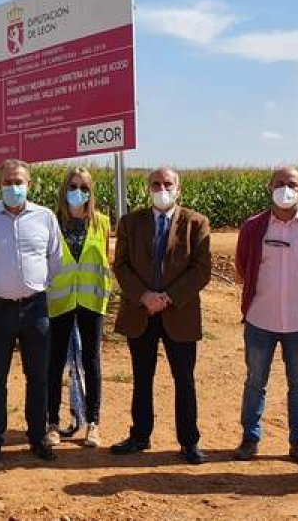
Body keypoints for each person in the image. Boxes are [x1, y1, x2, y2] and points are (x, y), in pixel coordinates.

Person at [233, 167, 298, 467]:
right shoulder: (254, 227)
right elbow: (243, 265)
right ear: (269, 187)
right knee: (255, 381)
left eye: (292, 184)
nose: (285, 189)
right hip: (259, 319)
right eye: (279, 183)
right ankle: (250, 438)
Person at [110, 167, 211, 464]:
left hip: (178, 313)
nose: (161, 189)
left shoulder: (196, 223)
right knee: (142, 378)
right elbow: (121, 266)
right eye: (156, 184)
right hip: (140, 312)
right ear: (148, 188)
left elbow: (201, 270)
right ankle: (139, 435)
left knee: (184, 379)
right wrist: (144, 296)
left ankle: (189, 441)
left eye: (168, 184)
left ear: (178, 189)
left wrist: (167, 298)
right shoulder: (130, 223)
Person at [0, 159, 63, 464]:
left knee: (38, 377)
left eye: (19, 182)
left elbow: (55, 260)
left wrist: (37, 286)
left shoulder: (45, 217)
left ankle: (37, 437)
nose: (14, 187)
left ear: (30, 184)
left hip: (36, 308)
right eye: (8, 182)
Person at [44, 167, 113, 449]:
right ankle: (52, 423)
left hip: (90, 300)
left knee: (91, 361)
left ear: (90, 192)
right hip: (59, 299)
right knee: (55, 361)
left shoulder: (101, 222)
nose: (78, 192)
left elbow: (104, 259)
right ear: (64, 189)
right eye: (73, 186)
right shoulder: (51, 221)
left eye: (84, 188)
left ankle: (93, 423)